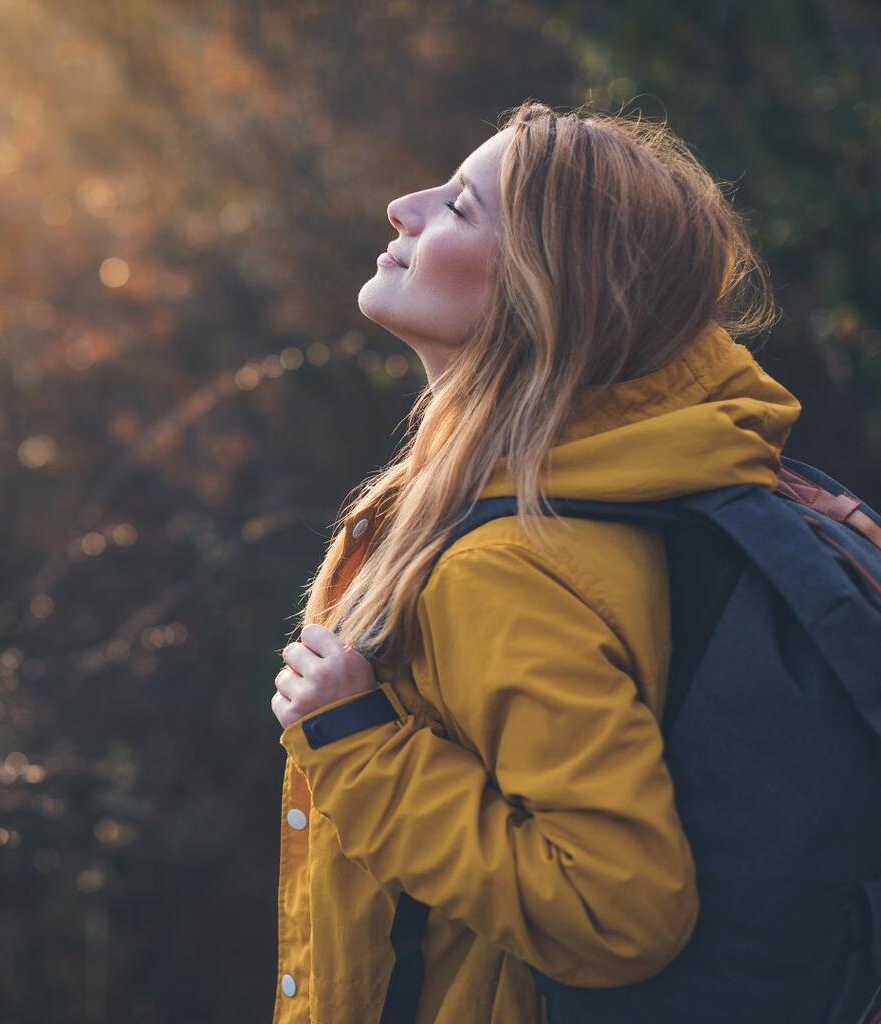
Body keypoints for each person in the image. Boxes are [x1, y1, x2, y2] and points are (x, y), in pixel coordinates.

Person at [269, 98, 802, 1023]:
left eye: (462, 208)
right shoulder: (629, 482)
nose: (405, 204)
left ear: (542, 292)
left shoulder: (506, 566)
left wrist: (361, 749)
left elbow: (621, 909)